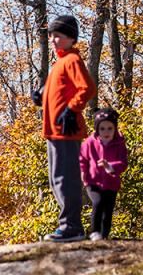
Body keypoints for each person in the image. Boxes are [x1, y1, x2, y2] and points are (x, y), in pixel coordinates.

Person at [33, 15, 96, 242]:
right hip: (53, 131)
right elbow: (57, 89)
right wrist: (41, 94)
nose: (53, 40)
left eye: (58, 35)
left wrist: (72, 109)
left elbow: (87, 88)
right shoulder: (59, 62)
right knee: (55, 178)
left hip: (65, 130)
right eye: (51, 35)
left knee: (65, 178)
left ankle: (72, 227)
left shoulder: (71, 60)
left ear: (71, 38)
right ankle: (67, 225)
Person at [79, 108, 129, 240]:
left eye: (110, 128)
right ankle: (94, 232)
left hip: (111, 183)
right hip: (93, 181)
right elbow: (82, 158)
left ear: (115, 128)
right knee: (98, 202)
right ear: (97, 129)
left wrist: (110, 166)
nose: (106, 132)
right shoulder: (89, 142)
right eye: (102, 129)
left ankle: (104, 235)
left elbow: (124, 163)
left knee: (108, 209)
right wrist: (83, 172)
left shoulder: (119, 143)